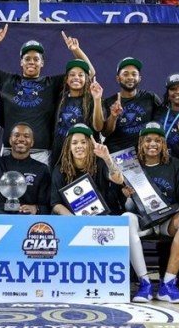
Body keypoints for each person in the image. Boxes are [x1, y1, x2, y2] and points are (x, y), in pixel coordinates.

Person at [49, 126, 146, 297]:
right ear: (68, 147)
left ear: (89, 144)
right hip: (72, 222)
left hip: (101, 220)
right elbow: (56, 204)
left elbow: (118, 179)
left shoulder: (99, 164)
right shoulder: (60, 170)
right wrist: (77, 221)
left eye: (83, 142)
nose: (79, 146)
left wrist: (107, 158)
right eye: (75, 143)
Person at [0, 25, 94, 164]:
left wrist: (75, 50)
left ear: (42, 63)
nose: (31, 62)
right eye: (27, 59)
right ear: (21, 62)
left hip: (41, 153)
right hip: (11, 151)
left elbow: (89, 73)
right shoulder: (7, 80)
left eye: (36, 59)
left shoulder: (52, 83)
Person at [122, 122, 179, 304]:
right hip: (143, 221)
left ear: (164, 143)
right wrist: (129, 197)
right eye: (148, 140)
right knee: (126, 219)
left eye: (157, 140)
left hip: (166, 221)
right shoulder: (131, 166)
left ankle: (168, 285)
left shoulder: (174, 164)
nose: (152, 144)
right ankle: (144, 283)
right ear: (141, 143)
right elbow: (129, 208)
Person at [0, 122, 53, 215]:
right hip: (0, 215)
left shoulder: (42, 169)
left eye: (26, 136)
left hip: (26, 217)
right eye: (16, 135)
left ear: (32, 142)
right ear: (10, 140)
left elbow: (47, 206)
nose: (21, 139)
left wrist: (36, 209)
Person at [101, 56, 160, 154]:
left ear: (139, 78)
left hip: (144, 153)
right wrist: (113, 116)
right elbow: (105, 133)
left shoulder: (150, 98)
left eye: (134, 74)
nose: (130, 77)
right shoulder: (109, 102)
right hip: (117, 154)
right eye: (125, 74)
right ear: (118, 78)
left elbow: (161, 124)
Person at [51, 59, 105, 162]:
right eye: (72, 75)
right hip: (59, 155)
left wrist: (97, 99)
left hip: (84, 156)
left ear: (86, 79)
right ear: (66, 79)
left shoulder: (92, 100)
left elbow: (99, 127)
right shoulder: (60, 98)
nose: (76, 77)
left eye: (81, 75)